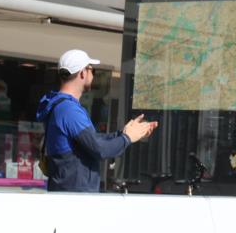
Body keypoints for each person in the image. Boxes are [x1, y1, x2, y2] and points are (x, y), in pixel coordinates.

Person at [37, 49, 157, 192]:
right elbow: (99, 149)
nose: (92, 75)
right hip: (75, 199)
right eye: (91, 70)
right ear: (82, 73)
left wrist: (122, 134)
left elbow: (91, 141)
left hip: (69, 195)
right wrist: (127, 138)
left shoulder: (62, 106)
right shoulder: (68, 110)